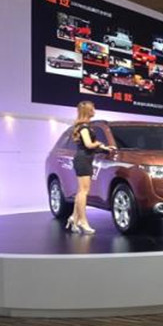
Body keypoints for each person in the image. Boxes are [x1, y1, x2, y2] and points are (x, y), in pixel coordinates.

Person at [67, 101, 115, 235]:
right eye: (92, 108)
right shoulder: (84, 127)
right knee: (83, 192)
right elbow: (88, 145)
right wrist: (98, 143)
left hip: (84, 159)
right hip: (83, 160)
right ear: (87, 111)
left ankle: (74, 218)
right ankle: (82, 221)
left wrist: (104, 148)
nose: (94, 110)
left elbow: (87, 146)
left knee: (81, 191)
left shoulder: (84, 126)